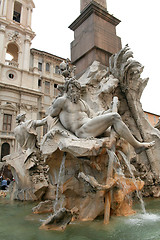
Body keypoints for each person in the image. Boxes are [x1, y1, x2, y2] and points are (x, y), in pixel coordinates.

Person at [48, 78, 154, 154]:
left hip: (91, 127)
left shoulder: (82, 103)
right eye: (71, 88)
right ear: (67, 89)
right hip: (82, 131)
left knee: (120, 135)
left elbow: (94, 116)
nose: (74, 90)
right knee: (115, 117)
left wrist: (109, 109)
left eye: (76, 88)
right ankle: (137, 146)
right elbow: (52, 115)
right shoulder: (62, 101)